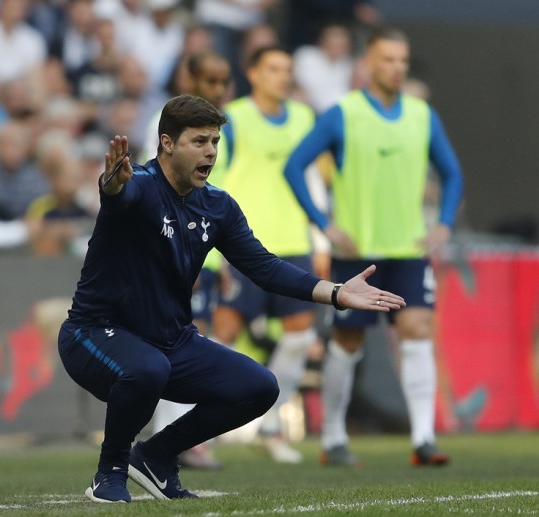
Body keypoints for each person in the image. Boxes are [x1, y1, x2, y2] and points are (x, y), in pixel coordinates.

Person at [57, 94, 406, 503]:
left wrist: (337, 293)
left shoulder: (218, 206)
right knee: (148, 368)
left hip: (170, 341)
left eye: (215, 142)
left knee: (258, 386)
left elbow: (265, 267)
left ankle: (155, 456)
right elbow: (120, 195)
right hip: (93, 334)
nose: (210, 152)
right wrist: (112, 184)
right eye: (200, 141)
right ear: (167, 143)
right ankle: (110, 471)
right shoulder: (142, 187)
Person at [284, 26, 464, 467]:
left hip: (407, 249)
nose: (396, 68)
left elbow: (453, 173)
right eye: (387, 59)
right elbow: (295, 166)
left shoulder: (422, 115)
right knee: (347, 343)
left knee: (418, 332)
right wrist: (322, 221)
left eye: (402, 61)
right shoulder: (342, 113)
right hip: (357, 251)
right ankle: (333, 437)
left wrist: (443, 224)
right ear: (368, 62)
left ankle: (423, 438)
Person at [211, 45, 320, 463]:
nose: (283, 76)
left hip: (293, 242)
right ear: (253, 73)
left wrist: (320, 240)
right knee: (222, 333)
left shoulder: (304, 118)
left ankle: (271, 426)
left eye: (287, 68)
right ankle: (193, 430)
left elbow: (313, 181)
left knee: (299, 335)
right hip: (244, 244)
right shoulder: (233, 118)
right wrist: (216, 249)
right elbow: (214, 180)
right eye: (273, 68)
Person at [139, 50, 232, 470]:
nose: (217, 89)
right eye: (209, 80)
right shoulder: (165, 127)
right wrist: (171, 253)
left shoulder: (218, 131)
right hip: (173, 245)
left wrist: (222, 260)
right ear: (189, 76)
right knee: (170, 342)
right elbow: (153, 187)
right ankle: (171, 439)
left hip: (204, 248)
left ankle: (174, 435)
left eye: (222, 82)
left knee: (194, 337)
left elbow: (216, 199)